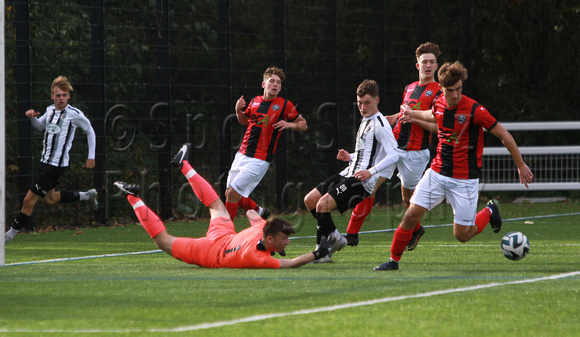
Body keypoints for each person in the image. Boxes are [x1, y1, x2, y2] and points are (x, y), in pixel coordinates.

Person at [374, 61, 534, 271]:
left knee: (462, 235)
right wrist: (412, 114)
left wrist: (520, 164)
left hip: (464, 180)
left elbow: (504, 135)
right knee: (411, 214)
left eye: (459, 89)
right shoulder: (438, 103)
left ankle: (489, 210)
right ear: (441, 89)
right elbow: (432, 114)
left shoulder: (475, 110)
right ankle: (393, 261)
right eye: (450, 90)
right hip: (437, 173)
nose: (456, 94)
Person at [114, 143, 331, 268]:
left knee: (217, 205)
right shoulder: (257, 258)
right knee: (163, 241)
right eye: (284, 239)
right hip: (209, 252)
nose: (288, 242)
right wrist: (319, 253)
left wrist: (260, 213)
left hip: (225, 236)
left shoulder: (260, 228)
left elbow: (251, 213)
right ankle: (133, 197)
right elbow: (291, 264)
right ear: (270, 239)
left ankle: (184, 165)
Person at [345, 42, 442, 248]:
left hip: (416, 153)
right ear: (417, 65)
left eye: (432, 62)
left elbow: (440, 126)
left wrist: (416, 120)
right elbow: (403, 114)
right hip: (394, 148)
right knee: (368, 185)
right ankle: (351, 234)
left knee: (408, 199)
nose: (428, 66)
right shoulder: (409, 88)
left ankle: (416, 229)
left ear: (436, 66)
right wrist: (389, 118)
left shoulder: (439, 92)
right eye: (424, 62)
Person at [304, 79, 399, 262]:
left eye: (367, 103)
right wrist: (351, 156)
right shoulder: (365, 120)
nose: (363, 107)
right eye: (360, 103)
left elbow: (394, 155)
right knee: (310, 200)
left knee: (323, 205)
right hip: (349, 172)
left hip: (362, 181)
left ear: (377, 100)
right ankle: (336, 238)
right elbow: (366, 153)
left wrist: (370, 172)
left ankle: (322, 251)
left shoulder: (380, 124)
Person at [5, 76, 98, 242]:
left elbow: (90, 131)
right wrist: (32, 117)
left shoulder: (74, 114)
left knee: (29, 199)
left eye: (64, 95)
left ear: (69, 96)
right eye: (58, 95)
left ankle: (8, 235)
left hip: (55, 166)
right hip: (44, 163)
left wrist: (91, 157)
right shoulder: (49, 110)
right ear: (52, 96)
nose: (61, 98)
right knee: (49, 199)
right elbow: (40, 127)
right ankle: (87, 196)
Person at [226, 66, 308, 221]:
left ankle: (224, 234)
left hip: (260, 159)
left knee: (232, 194)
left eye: (278, 83)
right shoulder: (255, 101)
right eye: (272, 81)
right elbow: (245, 121)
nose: (275, 85)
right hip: (242, 154)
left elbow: (303, 124)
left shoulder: (284, 105)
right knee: (230, 193)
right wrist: (238, 111)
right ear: (264, 84)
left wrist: (288, 124)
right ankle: (260, 211)